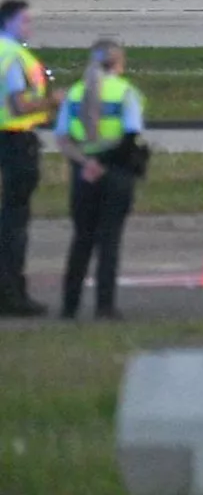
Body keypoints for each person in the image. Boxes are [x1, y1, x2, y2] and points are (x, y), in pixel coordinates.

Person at [54, 41, 144, 320]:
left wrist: (87, 163)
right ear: (118, 62)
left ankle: (70, 306)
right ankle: (105, 306)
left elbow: (62, 137)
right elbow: (130, 137)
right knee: (110, 242)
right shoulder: (125, 92)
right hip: (115, 174)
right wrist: (104, 164)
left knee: (81, 240)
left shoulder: (75, 93)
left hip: (83, 174)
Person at [0, 0, 64, 317]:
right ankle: (11, 295)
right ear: (8, 22)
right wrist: (52, 100)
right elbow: (17, 105)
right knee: (14, 221)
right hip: (13, 140)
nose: (29, 26)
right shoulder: (11, 56)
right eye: (24, 20)